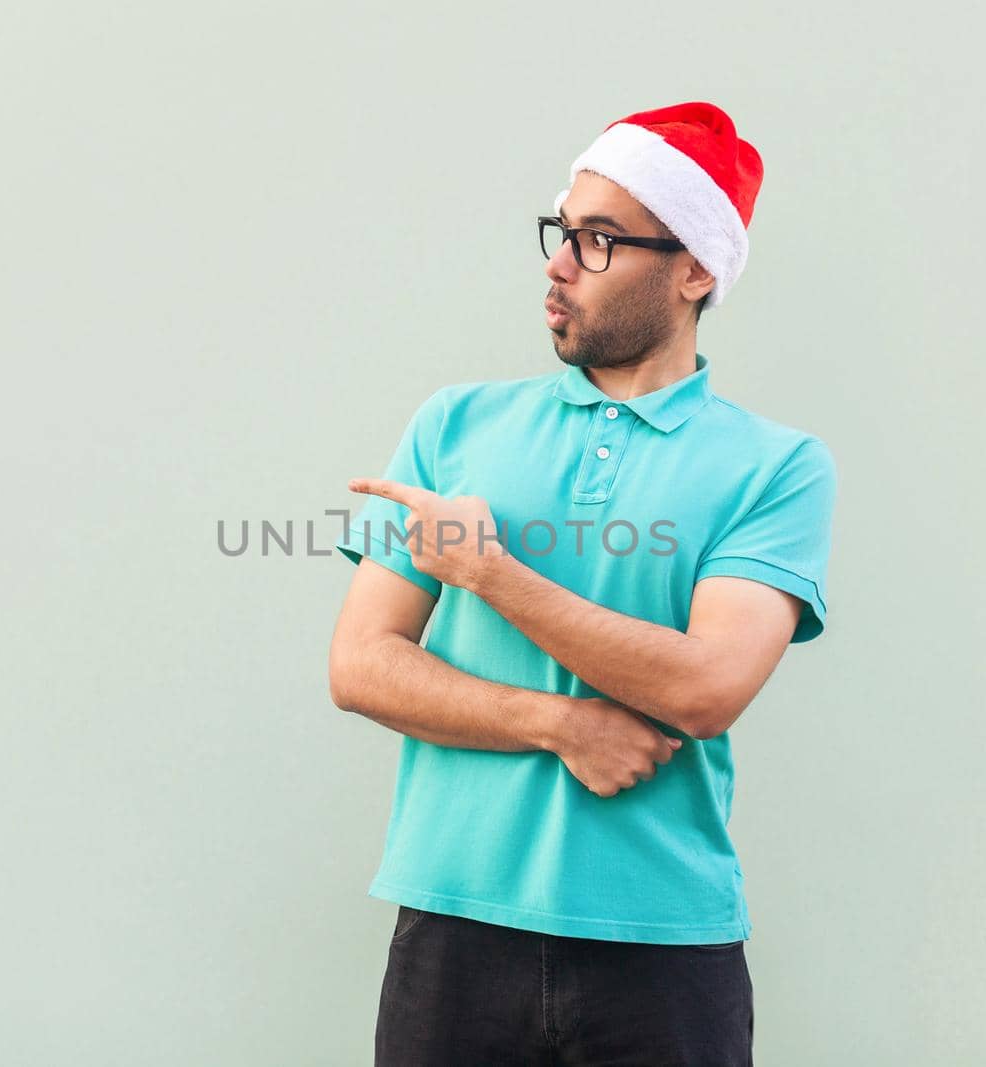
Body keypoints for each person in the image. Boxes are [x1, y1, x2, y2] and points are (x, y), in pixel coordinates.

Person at [328, 101, 837, 1067]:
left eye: (599, 240)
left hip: (666, 951)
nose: (559, 263)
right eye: (563, 231)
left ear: (694, 268)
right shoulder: (456, 425)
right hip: (451, 929)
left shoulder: (777, 468)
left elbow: (705, 688)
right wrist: (560, 722)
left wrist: (490, 573)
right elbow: (360, 664)